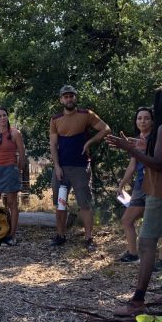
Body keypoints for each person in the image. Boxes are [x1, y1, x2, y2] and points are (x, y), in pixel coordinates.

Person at [106, 84, 162, 317]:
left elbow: (158, 163)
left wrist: (129, 149)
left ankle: (137, 302)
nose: (154, 107)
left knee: (146, 244)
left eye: (157, 102)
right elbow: (161, 155)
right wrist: (141, 145)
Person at [49, 84, 111, 251]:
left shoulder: (86, 115)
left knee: (84, 204)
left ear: (75, 98)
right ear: (61, 99)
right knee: (60, 204)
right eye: (66, 96)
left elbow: (106, 129)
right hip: (61, 168)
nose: (69, 99)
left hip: (80, 167)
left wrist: (90, 142)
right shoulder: (55, 119)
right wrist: (56, 166)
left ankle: (89, 238)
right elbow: (53, 145)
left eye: (71, 96)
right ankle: (60, 235)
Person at [116, 107, 153, 262]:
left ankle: (160, 259)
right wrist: (122, 183)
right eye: (139, 118)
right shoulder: (135, 140)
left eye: (146, 118)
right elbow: (132, 166)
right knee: (127, 220)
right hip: (139, 186)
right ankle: (132, 254)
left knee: (154, 224)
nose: (142, 121)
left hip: (154, 187)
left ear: (152, 121)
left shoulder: (157, 139)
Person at [0, 107, 26, 246]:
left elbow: (22, 154)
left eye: (5, 115)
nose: (3, 118)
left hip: (11, 170)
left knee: (11, 203)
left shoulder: (15, 133)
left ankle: (12, 235)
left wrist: (18, 170)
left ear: (7, 117)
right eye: (0, 116)